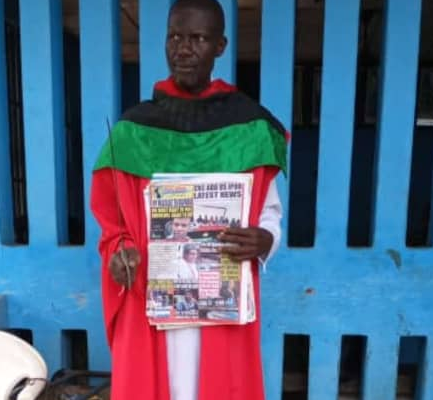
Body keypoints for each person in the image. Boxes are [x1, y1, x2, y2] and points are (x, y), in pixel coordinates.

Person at [90, 0, 287, 399]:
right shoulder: (133, 130)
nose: (183, 49)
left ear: (220, 46)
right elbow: (113, 224)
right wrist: (120, 251)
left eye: (197, 38)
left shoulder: (250, 126)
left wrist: (265, 240)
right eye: (175, 37)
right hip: (153, 298)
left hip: (221, 299)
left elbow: (269, 213)